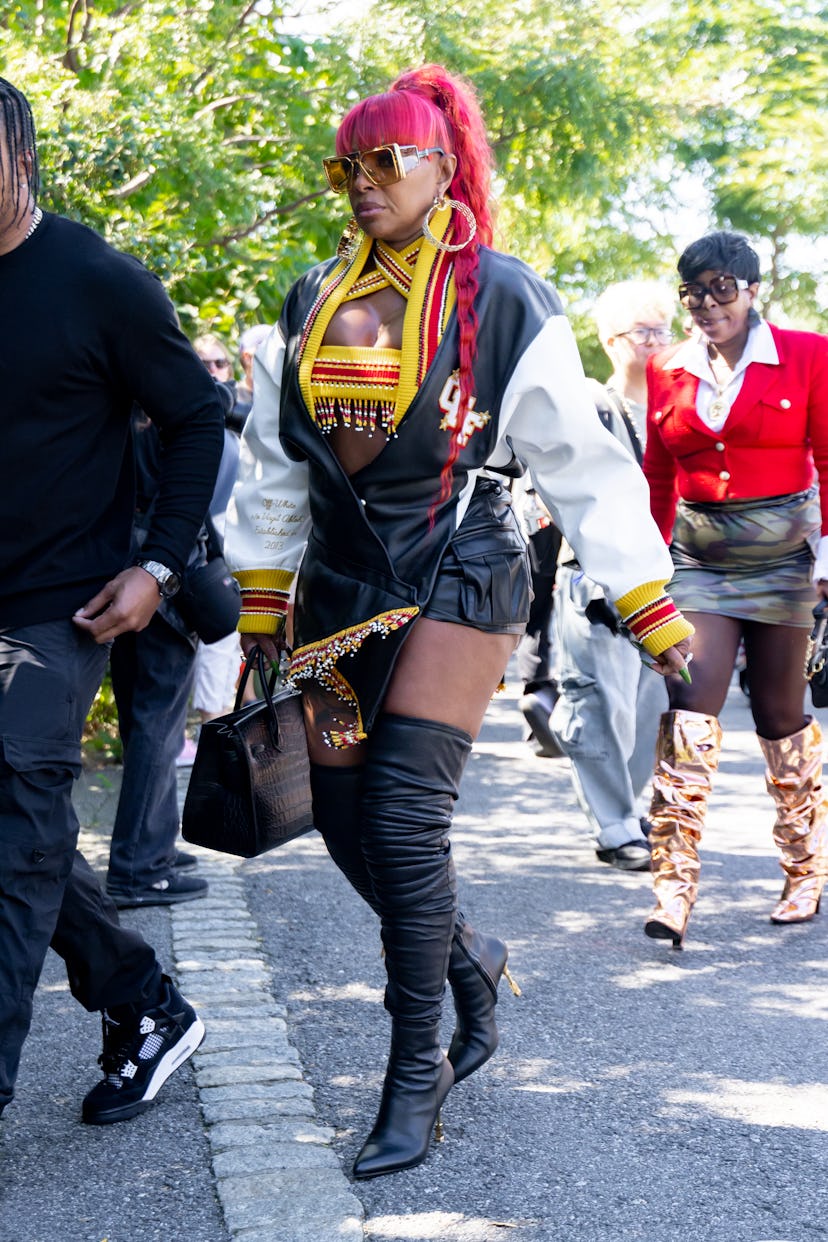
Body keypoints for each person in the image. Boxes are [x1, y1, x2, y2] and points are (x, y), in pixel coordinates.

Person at [225, 64, 692, 1179]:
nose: (363, 182)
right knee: (338, 818)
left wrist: (650, 606)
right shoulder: (309, 297)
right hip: (339, 592)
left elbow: (582, 463)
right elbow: (279, 466)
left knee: (397, 815)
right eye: (350, 163)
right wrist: (260, 603)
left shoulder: (506, 295)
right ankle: (470, 966)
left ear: (443, 167)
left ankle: (413, 1072)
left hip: (461, 567)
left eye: (389, 160)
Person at [0, 78, 222, 1122]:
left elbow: (197, 421)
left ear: (23, 157)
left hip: (62, 605)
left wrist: (161, 566)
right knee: (26, 832)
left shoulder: (96, 278)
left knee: (11, 825)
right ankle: (143, 1002)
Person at [641, 229, 828, 948]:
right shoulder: (667, 368)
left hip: (783, 562)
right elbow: (659, 476)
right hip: (697, 563)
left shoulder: (807, 355)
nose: (708, 304)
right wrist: (646, 571)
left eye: (723, 288)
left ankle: (806, 868)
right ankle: (674, 885)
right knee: (690, 701)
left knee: (782, 713)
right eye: (694, 291)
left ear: (753, 292)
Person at [549, 282, 674, 869]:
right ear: (610, 340)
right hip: (596, 578)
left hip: (667, 576)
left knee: (650, 702)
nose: (656, 342)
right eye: (642, 332)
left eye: (662, 330)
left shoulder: (679, 407)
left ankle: (629, 805)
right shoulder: (591, 405)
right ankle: (615, 824)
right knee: (602, 702)